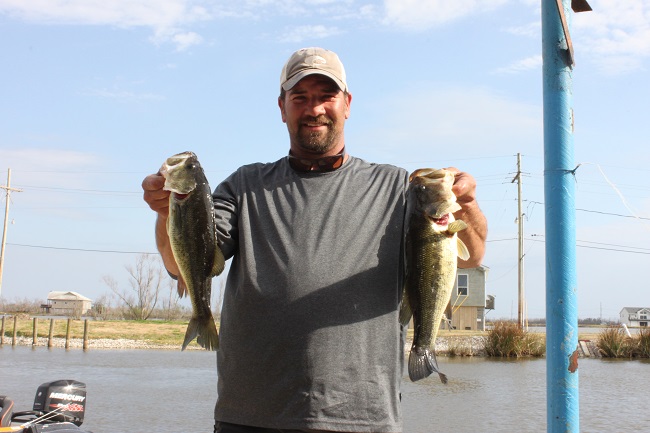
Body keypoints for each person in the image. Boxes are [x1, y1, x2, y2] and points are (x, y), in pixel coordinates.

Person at [142, 47, 487, 433]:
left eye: (326, 96)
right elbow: (183, 265)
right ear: (282, 107)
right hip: (250, 416)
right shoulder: (244, 186)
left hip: (363, 416)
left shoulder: (396, 187)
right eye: (300, 97)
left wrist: (467, 204)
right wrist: (167, 213)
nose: (314, 108)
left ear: (347, 104)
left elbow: (470, 256)